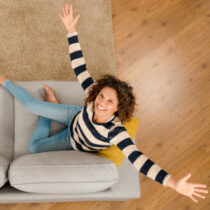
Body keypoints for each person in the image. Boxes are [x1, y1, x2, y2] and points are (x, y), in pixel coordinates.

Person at [0, 3, 208, 203]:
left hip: (73, 142)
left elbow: (139, 160)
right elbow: (79, 66)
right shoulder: (93, 95)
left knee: (34, 147)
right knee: (31, 105)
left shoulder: (115, 131)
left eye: (109, 101)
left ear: (118, 107)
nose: (101, 102)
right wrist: (71, 30)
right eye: (101, 96)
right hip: (73, 116)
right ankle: (4, 81)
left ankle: (50, 104)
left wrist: (173, 184)